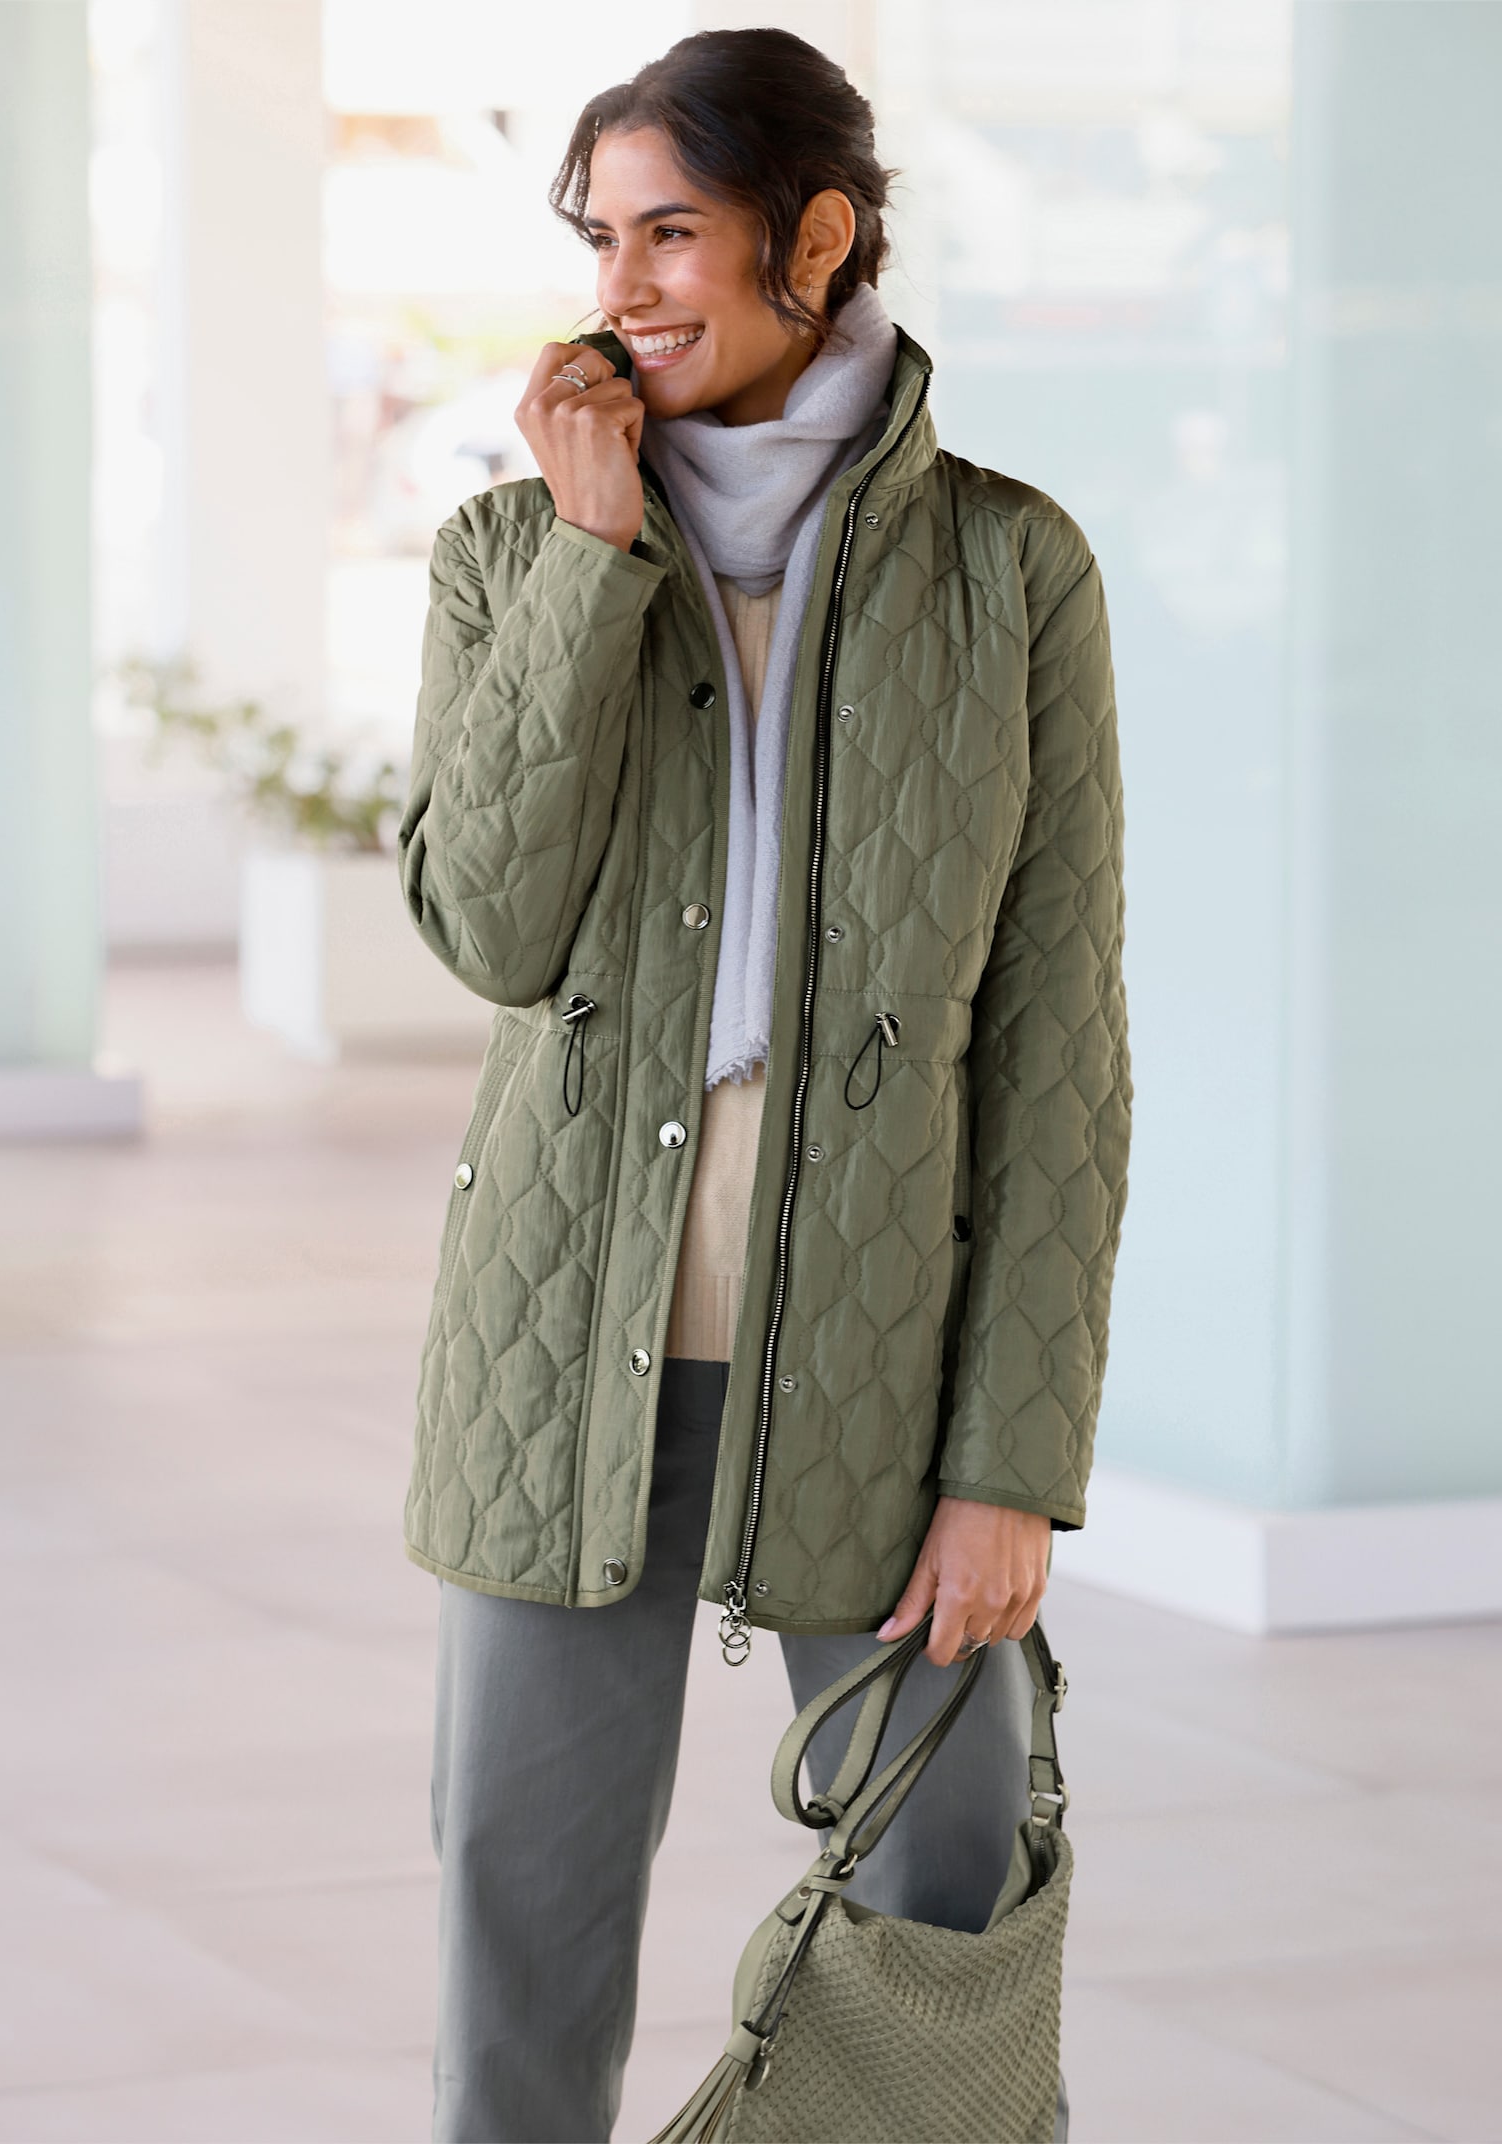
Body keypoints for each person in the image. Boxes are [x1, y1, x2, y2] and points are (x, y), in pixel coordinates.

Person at [397, 28, 1131, 2144]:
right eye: (599, 238)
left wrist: (1015, 1455)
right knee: (521, 1942)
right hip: (565, 1356)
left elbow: (1057, 1042)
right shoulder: (505, 553)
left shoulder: (1008, 571)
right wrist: (583, 553)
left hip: (889, 1371)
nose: (623, 284)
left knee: (944, 1903)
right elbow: (491, 933)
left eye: (672, 233)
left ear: (815, 235)